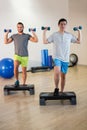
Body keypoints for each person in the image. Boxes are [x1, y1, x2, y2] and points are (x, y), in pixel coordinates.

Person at [43, 18, 81, 96]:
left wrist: (79, 31)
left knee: (63, 76)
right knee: (57, 72)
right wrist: (44, 31)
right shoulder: (54, 35)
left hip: (66, 59)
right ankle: (56, 88)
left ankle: (62, 91)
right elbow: (45, 41)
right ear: (58, 25)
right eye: (61, 24)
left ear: (66, 25)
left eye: (64, 24)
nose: (63, 25)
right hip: (57, 57)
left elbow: (79, 41)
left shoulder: (69, 35)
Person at [4, 22, 38, 87]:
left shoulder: (27, 35)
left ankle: (24, 83)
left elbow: (36, 40)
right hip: (17, 55)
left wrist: (33, 32)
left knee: (24, 71)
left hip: (25, 56)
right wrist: (6, 33)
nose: (19, 28)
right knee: (15, 66)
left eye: (21, 27)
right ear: (17, 28)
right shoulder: (14, 36)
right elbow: (6, 42)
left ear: (23, 27)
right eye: (18, 27)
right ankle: (17, 80)